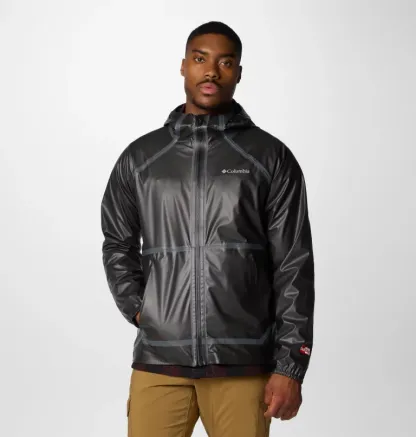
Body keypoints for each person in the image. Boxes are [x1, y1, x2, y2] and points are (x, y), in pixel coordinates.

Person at [101, 20, 315, 437]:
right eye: (200, 59)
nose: (212, 71)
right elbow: (117, 242)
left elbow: (294, 264)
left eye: (225, 62)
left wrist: (291, 366)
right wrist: (142, 309)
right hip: (159, 362)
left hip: (243, 362)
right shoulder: (141, 158)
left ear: (238, 73)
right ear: (183, 66)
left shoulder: (269, 157)